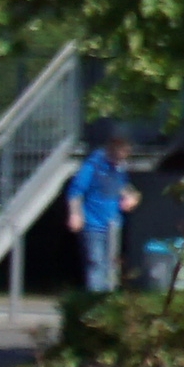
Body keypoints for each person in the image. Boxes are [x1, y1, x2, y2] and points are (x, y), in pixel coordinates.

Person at [71, 128, 132, 300]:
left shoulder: (119, 168)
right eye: (121, 155)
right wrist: (75, 215)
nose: (122, 160)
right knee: (96, 262)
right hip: (93, 223)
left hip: (113, 223)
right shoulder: (93, 166)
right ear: (112, 151)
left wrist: (131, 196)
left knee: (112, 264)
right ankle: (95, 299)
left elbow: (122, 187)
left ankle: (109, 297)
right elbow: (76, 192)